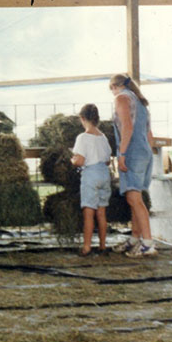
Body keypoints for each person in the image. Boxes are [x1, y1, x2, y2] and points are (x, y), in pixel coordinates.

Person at [109, 74, 157, 257]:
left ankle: (147, 244)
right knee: (135, 198)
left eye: (111, 88)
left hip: (132, 152)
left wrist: (122, 154)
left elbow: (127, 127)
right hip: (144, 151)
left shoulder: (122, 98)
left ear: (114, 86)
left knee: (134, 199)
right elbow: (149, 133)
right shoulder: (139, 101)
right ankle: (135, 239)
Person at [71, 103, 112, 256]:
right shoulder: (103, 137)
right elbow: (108, 160)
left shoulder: (82, 138)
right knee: (101, 212)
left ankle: (87, 247)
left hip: (91, 175)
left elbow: (80, 161)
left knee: (89, 212)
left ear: (82, 118)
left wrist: (72, 160)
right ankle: (102, 245)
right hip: (104, 174)